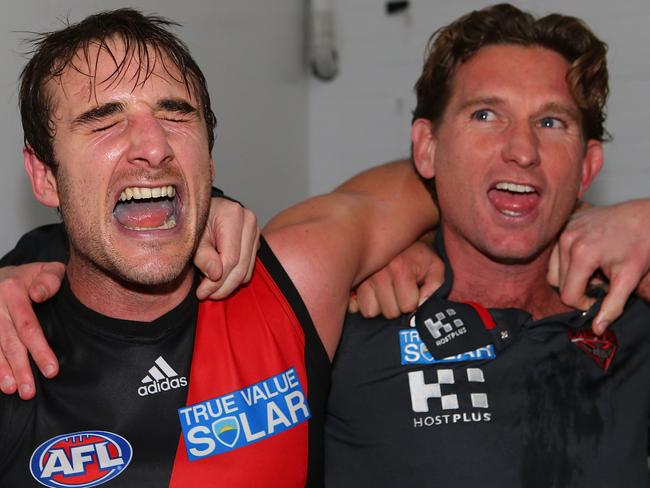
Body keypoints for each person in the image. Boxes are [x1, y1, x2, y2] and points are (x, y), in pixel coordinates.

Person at [0, 8, 441, 487]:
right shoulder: (11, 355)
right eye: (105, 121)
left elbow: (455, 176)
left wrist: (418, 241)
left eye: (176, 115)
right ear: (45, 176)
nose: (154, 145)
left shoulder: (290, 284)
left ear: (208, 159)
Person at [325, 4, 650, 487]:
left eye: (551, 123)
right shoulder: (351, 322)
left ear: (587, 167)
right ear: (427, 149)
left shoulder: (632, 314)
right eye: (485, 114)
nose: (522, 150)